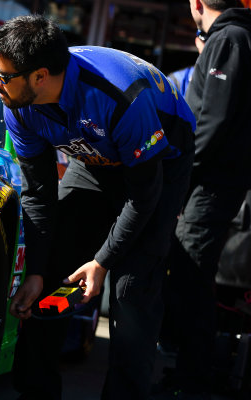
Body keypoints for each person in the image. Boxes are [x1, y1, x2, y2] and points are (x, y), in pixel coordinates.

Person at [0, 15, 196, 400]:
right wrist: (36, 271)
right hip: (93, 159)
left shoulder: (119, 96)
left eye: (3, 75)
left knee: (130, 291)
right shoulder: (18, 102)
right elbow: (38, 191)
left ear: (40, 76)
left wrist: (102, 262)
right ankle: (36, 392)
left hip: (158, 164)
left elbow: (143, 195)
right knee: (49, 278)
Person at [160, 1, 251, 399]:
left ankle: (194, 378)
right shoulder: (231, 37)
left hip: (211, 184)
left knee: (190, 273)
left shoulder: (231, 38)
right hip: (218, 181)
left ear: (197, 3)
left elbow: (210, 120)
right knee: (192, 274)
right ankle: (192, 371)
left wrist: (183, 176)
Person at [166, 31, 206, 98]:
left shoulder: (227, 82)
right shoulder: (177, 80)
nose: (210, 46)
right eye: (206, 40)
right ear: (197, 42)